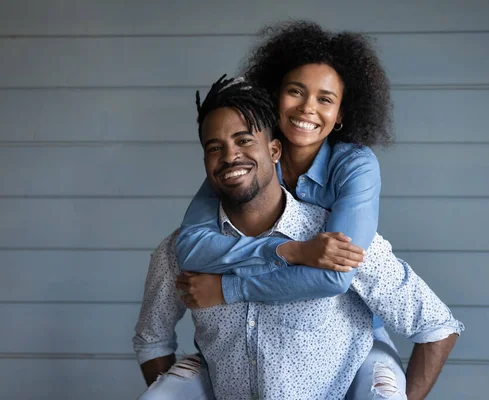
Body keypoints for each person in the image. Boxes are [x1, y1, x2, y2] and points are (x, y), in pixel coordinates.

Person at [134, 77, 463, 399]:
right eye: (214, 148)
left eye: (245, 140)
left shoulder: (334, 242)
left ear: (275, 149)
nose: (230, 156)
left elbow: (436, 327)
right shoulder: (178, 251)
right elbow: (153, 340)